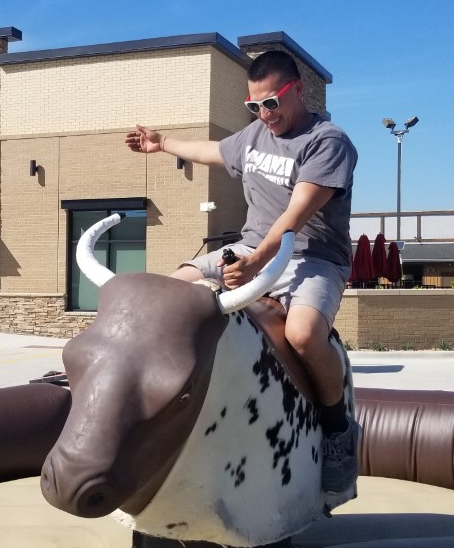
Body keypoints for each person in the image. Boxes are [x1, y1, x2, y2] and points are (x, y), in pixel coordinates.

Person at [125, 49, 360, 495]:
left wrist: (255, 264)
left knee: (305, 334)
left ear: (298, 91)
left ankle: (337, 431)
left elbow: (295, 214)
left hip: (311, 257)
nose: (264, 114)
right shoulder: (253, 136)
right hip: (249, 245)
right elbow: (213, 150)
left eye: (272, 103)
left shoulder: (328, 141)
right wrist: (163, 143)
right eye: (254, 106)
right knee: (165, 296)